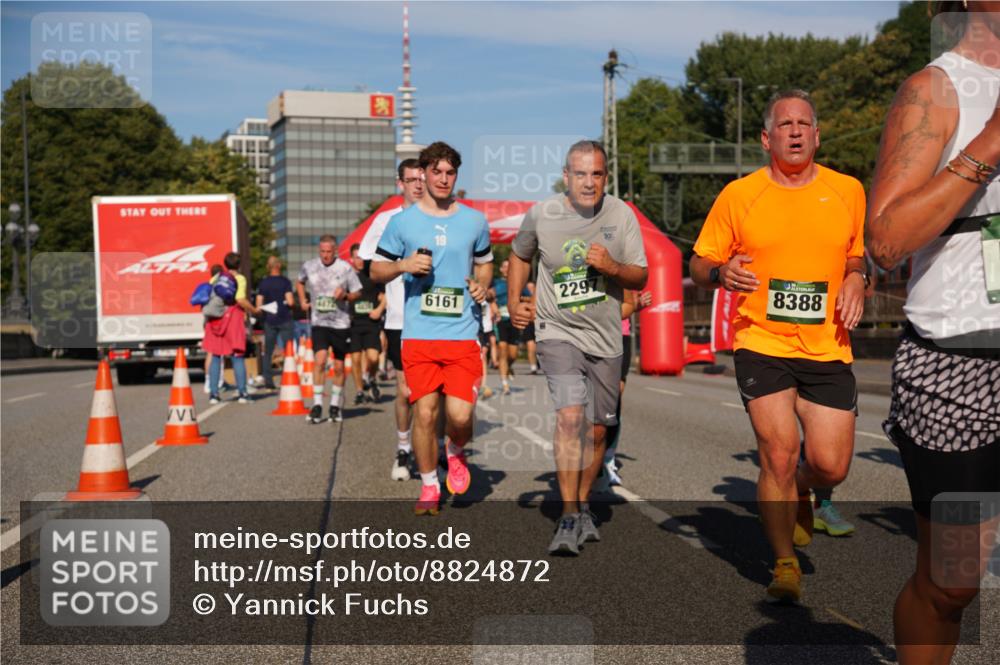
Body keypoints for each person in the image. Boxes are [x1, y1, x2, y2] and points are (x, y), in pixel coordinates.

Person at [690, 89, 866, 603]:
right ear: (767, 138)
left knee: (832, 465)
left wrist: (857, 279)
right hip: (761, 341)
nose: (795, 131)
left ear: (817, 135)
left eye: (803, 123)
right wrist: (722, 273)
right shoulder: (739, 196)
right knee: (778, 452)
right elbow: (698, 265)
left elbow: (858, 258)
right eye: (784, 124)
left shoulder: (847, 190)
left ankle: (807, 488)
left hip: (827, 345)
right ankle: (784, 563)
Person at [866, 5, 1000, 661]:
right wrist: (990, 144)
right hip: (961, 364)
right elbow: (886, 239)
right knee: (952, 581)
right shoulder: (936, 90)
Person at [509, 140, 648, 555]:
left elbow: (639, 277)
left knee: (598, 428)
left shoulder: (621, 216)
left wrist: (612, 268)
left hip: (605, 337)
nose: (589, 182)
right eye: (581, 174)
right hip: (557, 333)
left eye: (597, 174)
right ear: (566, 176)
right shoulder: (543, 215)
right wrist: (516, 300)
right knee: (571, 419)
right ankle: (568, 513)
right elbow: (520, 255)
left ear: (606, 176)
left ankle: (583, 501)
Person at [372, 141, 493, 515]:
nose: (443, 179)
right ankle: (428, 486)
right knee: (424, 413)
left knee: (458, 416)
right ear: (422, 174)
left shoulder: (474, 220)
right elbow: (376, 270)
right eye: (436, 171)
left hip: (461, 334)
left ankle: (455, 451)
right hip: (419, 336)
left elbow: (485, 263)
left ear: (456, 175)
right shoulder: (402, 222)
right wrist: (404, 266)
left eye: (450, 172)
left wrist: (481, 285)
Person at [358, 158, 425, 480]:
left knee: (436, 392)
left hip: (439, 318)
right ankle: (403, 447)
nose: (418, 184)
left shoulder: (444, 217)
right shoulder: (386, 220)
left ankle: (436, 447)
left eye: (422, 178)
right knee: (406, 391)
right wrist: (402, 264)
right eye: (411, 179)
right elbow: (370, 267)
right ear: (400, 184)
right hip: (401, 316)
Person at [297, 235, 362, 424]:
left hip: (341, 324)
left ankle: (334, 405)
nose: (325, 255)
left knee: (339, 367)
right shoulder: (309, 266)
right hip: (319, 322)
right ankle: (317, 404)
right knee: (320, 360)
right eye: (322, 251)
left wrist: (345, 295)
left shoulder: (345, 268)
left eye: (329, 251)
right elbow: (300, 281)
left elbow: (357, 292)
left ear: (335, 251)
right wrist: (302, 300)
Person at [601, 288, 651, 487]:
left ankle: (607, 460)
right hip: (593, 333)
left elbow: (629, 297)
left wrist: (636, 304)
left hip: (620, 333)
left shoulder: (624, 259)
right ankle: (587, 454)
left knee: (615, 397)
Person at [204, 252, 259, 404]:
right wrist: (254, 310)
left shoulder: (215, 278)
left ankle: (214, 394)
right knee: (237, 355)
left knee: (215, 355)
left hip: (215, 318)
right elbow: (240, 299)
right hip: (233, 318)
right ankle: (242, 393)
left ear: (225, 264)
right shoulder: (239, 278)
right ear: (239, 265)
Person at [348, 243, 386, 404]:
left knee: (373, 358)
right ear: (351, 259)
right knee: (356, 359)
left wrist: (379, 309)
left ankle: (369, 377)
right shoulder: (347, 277)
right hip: (354, 323)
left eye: (363, 257)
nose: (360, 260)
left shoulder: (373, 276)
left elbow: (385, 297)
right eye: (357, 257)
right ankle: (359, 391)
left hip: (371, 323)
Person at [491, 259, 532, 395]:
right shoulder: (496, 283)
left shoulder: (519, 283)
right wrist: (493, 305)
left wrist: (519, 301)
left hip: (514, 320)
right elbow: (490, 296)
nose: (507, 269)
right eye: (505, 266)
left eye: (510, 267)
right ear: (501, 270)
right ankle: (505, 385)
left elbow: (530, 298)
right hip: (500, 320)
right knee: (502, 349)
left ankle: (508, 367)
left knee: (512, 354)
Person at [255, 256, 295, 390]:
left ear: (269, 266)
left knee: (268, 352)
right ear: (279, 265)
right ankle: (287, 378)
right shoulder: (285, 282)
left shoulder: (264, 283)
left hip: (269, 320)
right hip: (285, 319)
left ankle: (268, 381)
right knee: (288, 350)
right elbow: (290, 302)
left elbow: (259, 304)